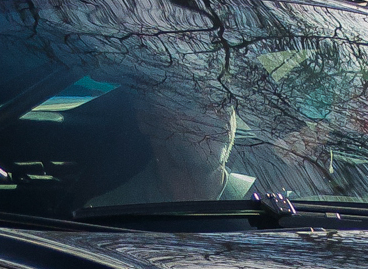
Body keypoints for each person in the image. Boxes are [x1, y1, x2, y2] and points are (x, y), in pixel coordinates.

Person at [90, 88, 255, 205]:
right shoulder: (107, 218)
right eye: (190, 100)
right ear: (146, 118)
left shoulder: (271, 205)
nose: (215, 114)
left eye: (223, 99)